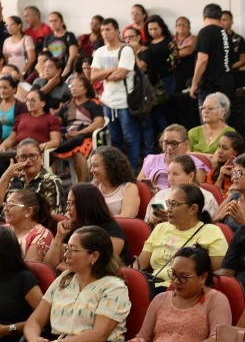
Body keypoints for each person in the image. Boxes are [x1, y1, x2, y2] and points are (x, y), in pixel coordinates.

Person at [139, 182, 227, 290]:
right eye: (169, 203)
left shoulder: (211, 232)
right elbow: (140, 265)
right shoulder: (160, 228)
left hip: (185, 291)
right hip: (153, 286)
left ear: (193, 209)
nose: (169, 209)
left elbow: (220, 274)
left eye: (174, 204)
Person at [90, 17, 144, 168]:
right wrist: (113, 69)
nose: (105, 33)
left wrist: (104, 74)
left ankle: (133, 169)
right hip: (108, 101)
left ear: (117, 31)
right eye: (102, 30)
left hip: (125, 101)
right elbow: (93, 76)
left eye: (108, 30)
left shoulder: (125, 49)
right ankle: (117, 169)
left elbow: (121, 74)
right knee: (113, 138)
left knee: (130, 137)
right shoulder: (100, 51)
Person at [52, 182, 129, 266]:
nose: (67, 208)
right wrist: (59, 237)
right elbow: (50, 264)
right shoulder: (72, 227)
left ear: (86, 205)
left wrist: (67, 269)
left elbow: (102, 268)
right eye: (68, 203)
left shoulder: (112, 231)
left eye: (72, 203)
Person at [0, 138, 62, 214]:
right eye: (23, 157)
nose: (28, 161)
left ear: (41, 158)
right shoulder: (13, 179)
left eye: (32, 156)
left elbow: (54, 216)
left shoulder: (51, 181)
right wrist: (6, 176)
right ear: (17, 159)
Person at [145, 154, 221, 225]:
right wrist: (151, 221)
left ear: (191, 176)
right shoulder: (160, 196)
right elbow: (146, 225)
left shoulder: (206, 199)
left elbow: (207, 227)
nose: (170, 179)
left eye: (175, 174)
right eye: (168, 173)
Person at [188, 91, 234, 155]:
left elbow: (215, 160)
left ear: (223, 112)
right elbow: (184, 156)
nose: (205, 111)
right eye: (203, 108)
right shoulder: (193, 132)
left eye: (210, 108)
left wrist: (193, 154)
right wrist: (209, 156)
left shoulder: (230, 133)